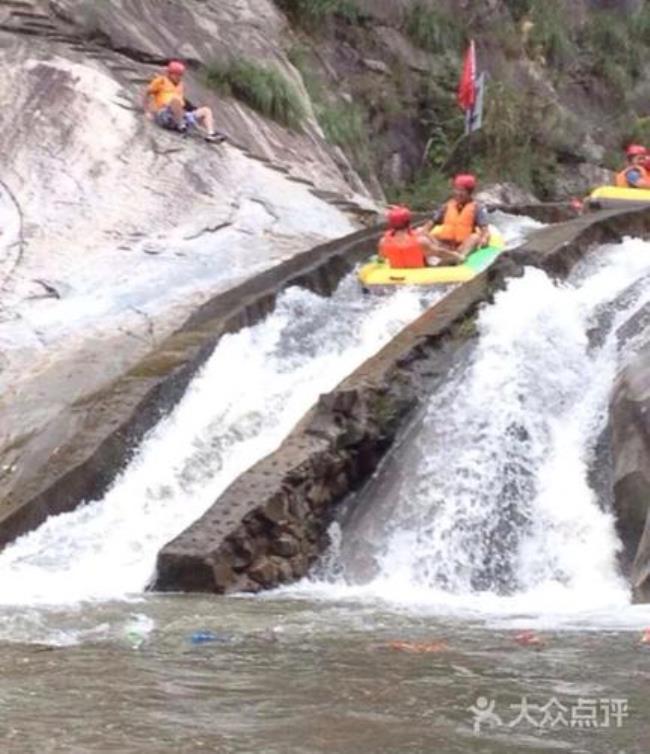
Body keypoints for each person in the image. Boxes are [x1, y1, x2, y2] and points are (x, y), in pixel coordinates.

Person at [144, 60, 225, 143]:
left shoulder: (180, 85)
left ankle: (210, 134)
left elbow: (183, 101)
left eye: (180, 75)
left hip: (180, 114)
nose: (179, 77)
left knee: (206, 110)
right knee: (175, 101)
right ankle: (181, 125)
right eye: (177, 75)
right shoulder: (161, 81)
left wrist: (195, 111)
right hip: (165, 114)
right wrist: (147, 111)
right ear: (171, 73)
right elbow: (147, 94)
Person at [423, 174, 490, 264]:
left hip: (462, 246)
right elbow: (429, 225)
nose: (458, 193)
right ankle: (440, 257)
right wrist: (426, 234)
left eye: (462, 190)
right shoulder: (447, 206)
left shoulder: (478, 208)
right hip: (443, 246)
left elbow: (484, 230)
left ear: (469, 192)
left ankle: (458, 259)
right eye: (456, 189)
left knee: (475, 237)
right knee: (421, 233)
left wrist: (484, 238)